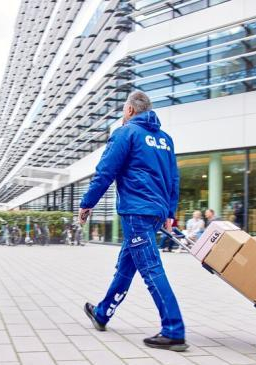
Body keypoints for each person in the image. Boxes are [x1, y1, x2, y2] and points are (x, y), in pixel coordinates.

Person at [79, 91, 188, 352]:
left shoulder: (126, 133)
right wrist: (171, 213)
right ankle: (102, 313)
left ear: (129, 110)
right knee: (127, 265)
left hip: (137, 211)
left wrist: (87, 203)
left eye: (123, 111)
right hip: (156, 212)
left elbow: (105, 171)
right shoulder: (164, 140)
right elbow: (173, 179)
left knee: (150, 268)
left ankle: (174, 330)